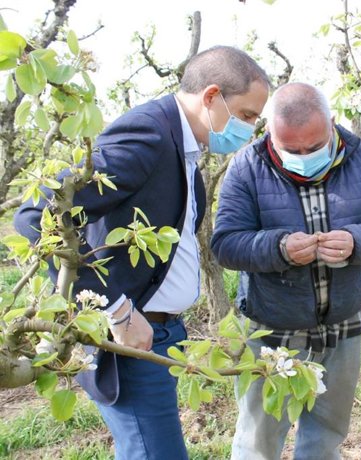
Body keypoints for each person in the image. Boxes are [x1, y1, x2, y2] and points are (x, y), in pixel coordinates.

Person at [13, 46, 270, 460]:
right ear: (211, 97)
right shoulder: (150, 135)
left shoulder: (182, 144)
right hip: (132, 337)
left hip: (160, 332)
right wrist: (118, 311)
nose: (251, 130)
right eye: (246, 116)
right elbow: (39, 215)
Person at [211, 82, 361, 459]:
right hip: (272, 331)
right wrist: (279, 248)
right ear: (270, 132)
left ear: (331, 124)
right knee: (258, 440)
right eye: (291, 150)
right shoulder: (246, 167)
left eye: (314, 148)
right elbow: (226, 244)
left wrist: (355, 241)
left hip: (343, 325)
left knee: (327, 433)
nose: (303, 156)